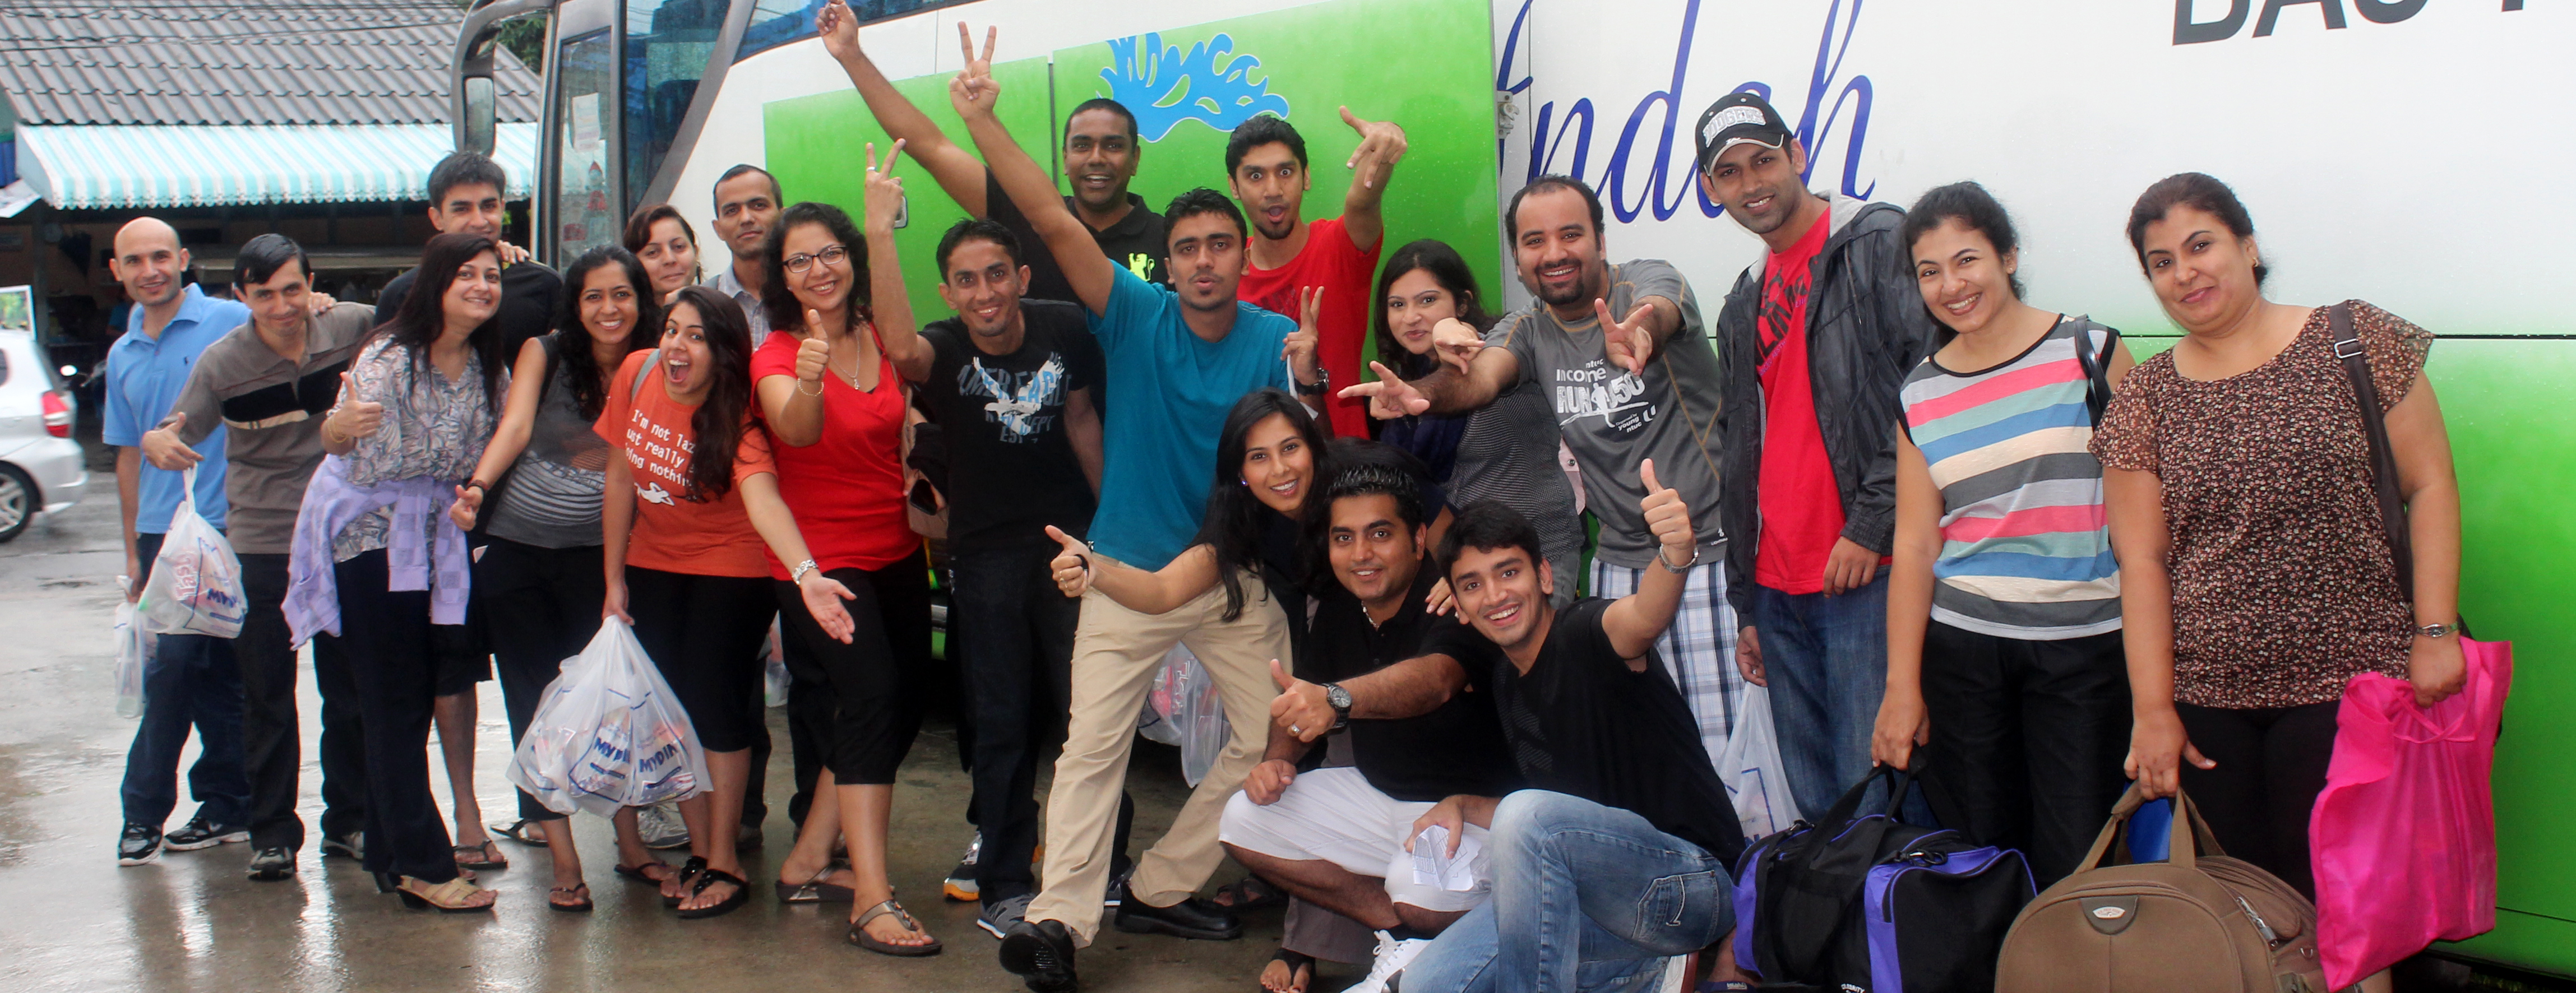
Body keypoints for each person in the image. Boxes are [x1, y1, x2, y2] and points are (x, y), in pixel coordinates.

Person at [947, 36, 1322, 992]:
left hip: (1229, 580)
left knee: (1274, 730)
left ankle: (1160, 882)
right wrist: (985, 121)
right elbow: (1044, 214)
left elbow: (1304, 454)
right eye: (1187, 246)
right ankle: (1059, 924)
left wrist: (1311, 377)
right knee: (1090, 751)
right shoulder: (1133, 311)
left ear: (1246, 255)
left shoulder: (1278, 336)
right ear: (1172, 260)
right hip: (1123, 572)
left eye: (1220, 245)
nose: (1202, 261)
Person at [2096, 173, 2464, 900]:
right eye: (2160, 261)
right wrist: (2152, 711)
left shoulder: (2352, 339)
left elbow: (2430, 488)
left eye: (2199, 245)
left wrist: (2434, 629)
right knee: (2246, 909)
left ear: (2247, 244)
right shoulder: (2143, 396)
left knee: (2357, 904)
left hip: (2356, 683)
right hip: (2210, 703)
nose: (2183, 272)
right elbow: (2139, 563)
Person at [1340, 175, 1739, 788]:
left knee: (1724, 754)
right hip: (1615, 563)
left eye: (1569, 234)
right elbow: (1479, 380)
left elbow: (1655, 315)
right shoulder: (1528, 329)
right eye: (1534, 240)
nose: (1553, 252)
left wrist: (1637, 336)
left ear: (1600, 241)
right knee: (1633, 747)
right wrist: (1419, 394)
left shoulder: (1649, 280)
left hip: (1707, 557)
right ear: (1519, 260)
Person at [1282, 475, 1747, 992]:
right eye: (1473, 585)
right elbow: (1554, 810)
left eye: (1508, 573)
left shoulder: (1584, 634)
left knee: (1526, 817)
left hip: (1689, 885)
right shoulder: (1504, 680)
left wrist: (1676, 553)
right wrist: (1460, 802)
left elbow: (1640, 617)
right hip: (1597, 900)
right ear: (1457, 605)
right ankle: (1648, 973)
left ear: (1544, 576)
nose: (1496, 596)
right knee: (1427, 984)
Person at [1871, 182, 2135, 886]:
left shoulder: (2093, 354)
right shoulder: (1918, 393)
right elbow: (1916, 546)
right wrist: (1902, 689)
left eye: (1966, 260)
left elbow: (2145, 526)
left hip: (2084, 653)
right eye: (1929, 271)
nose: (1950, 286)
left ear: (2007, 255)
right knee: (1984, 856)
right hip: (1963, 656)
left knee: (2081, 859)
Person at [900, 212, 1143, 938]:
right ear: (948, 291)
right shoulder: (941, 349)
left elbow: (1080, 423)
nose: (984, 292)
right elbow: (894, 348)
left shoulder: (1065, 330)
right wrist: (881, 234)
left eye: (996, 274)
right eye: (966, 281)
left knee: (1090, 718)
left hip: (1070, 551)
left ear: (1022, 277)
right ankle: (1005, 878)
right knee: (1000, 724)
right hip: (984, 562)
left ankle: (1104, 863)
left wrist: (1113, 532)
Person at [1699, 92, 1940, 820]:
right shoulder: (1742, 302)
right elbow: (1739, 455)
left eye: (1763, 160)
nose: (1751, 183)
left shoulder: (1875, 243)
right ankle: (1847, 937)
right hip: (1777, 594)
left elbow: (1928, 388)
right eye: (1730, 173)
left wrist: (1870, 524)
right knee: (1819, 810)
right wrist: (1745, 599)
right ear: (1713, 192)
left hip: (1869, 578)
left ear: (1796, 155)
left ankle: (1911, 933)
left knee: (1882, 801)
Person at [598, 286, 853, 920]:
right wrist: (612, 580)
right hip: (650, 561)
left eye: (695, 337)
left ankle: (724, 859)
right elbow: (620, 475)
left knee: (712, 708)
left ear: (722, 353)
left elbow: (764, 499)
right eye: (670, 330)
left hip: (731, 567)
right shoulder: (637, 372)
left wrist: (803, 573)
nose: (676, 347)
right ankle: (703, 847)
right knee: (668, 708)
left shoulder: (737, 413)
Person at [1216, 460, 1517, 993]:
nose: (1361, 554)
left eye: (1380, 534)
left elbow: (1435, 681)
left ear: (1419, 539)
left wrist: (1338, 699)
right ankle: (1403, 938)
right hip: (1382, 797)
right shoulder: (1339, 602)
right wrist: (1277, 759)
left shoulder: (1452, 596)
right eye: (1344, 538)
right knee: (1244, 818)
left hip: (1474, 814)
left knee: (1415, 889)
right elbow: (1300, 694)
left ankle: (1489, 926)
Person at [750, 179, 946, 954]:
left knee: (897, 709)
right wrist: (807, 376)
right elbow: (794, 433)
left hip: (898, 549)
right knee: (870, 697)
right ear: (781, 277)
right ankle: (870, 895)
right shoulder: (773, 351)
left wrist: (879, 225)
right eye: (799, 261)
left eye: (830, 252)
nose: (817, 270)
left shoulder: (876, 330)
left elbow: (913, 380)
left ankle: (805, 858)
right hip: (818, 563)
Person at [144, 234, 378, 882]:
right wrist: (158, 442)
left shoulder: (351, 327)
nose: (281, 306)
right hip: (264, 538)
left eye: (292, 289)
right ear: (242, 296)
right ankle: (273, 831)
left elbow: (415, 324)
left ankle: (350, 821)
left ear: (312, 284)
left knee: (350, 686)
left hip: (343, 532)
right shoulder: (223, 364)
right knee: (267, 691)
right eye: (264, 294)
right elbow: (173, 427)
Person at [290, 231, 507, 912]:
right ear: (436, 284)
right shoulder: (388, 357)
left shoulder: (483, 366)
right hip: (367, 540)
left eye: (491, 275)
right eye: (466, 274)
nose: (481, 285)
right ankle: (422, 861)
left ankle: (389, 851)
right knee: (392, 702)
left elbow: (483, 457)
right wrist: (339, 426)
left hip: (435, 542)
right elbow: (337, 435)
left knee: (411, 699)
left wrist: (471, 495)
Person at [444, 245, 660, 911]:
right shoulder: (545, 351)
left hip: (602, 558)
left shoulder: (653, 358)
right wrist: (478, 485)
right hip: (517, 552)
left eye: (621, 294)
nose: (608, 308)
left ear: (639, 300)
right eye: (593, 295)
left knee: (615, 702)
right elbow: (514, 426)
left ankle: (631, 844)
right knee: (535, 707)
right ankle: (566, 860)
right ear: (576, 304)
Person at [373, 151, 565, 871]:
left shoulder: (540, 285)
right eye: (462, 208)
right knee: (449, 672)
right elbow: (371, 371)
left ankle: (544, 804)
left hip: (527, 510)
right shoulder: (404, 293)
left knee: (532, 663)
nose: (480, 219)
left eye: (490, 205)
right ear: (434, 219)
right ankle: (466, 814)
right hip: (434, 516)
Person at [817, 4, 1168, 303]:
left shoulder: (1171, 239)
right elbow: (932, 148)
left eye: (1113, 146)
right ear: (1064, 158)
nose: (1096, 158)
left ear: (1135, 159)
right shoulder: (1027, 216)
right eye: (1081, 145)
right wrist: (851, 55)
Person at [103, 217, 251, 867]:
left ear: (185, 259)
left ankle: (186, 807)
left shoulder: (228, 319)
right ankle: (187, 807)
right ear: (118, 271)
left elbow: (294, 320)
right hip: (165, 538)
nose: (150, 269)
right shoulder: (123, 353)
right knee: (181, 674)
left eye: (161, 255)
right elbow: (130, 457)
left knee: (209, 673)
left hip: (232, 524)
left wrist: (322, 300)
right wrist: (136, 553)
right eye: (135, 260)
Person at [1368, 238, 1583, 606]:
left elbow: (1470, 361)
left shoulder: (1495, 355)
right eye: (1397, 305)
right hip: (1466, 562)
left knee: (1542, 663)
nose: (1411, 316)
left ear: (1463, 303)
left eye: (1428, 300)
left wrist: (1450, 331)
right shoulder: (1406, 381)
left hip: (1538, 551)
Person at [1228, 110, 1407, 438]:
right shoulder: (1225, 270)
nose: (1272, 189)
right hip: (1258, 469)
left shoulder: (1340, 246)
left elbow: (1364, 201)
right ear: (1234, 187)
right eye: (1255, 176)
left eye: (1285, 172)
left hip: (1344, 464)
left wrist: (1387, 135)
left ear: (1306, 177)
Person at [707, 163, 784, 346]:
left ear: (783, 217)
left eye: (759, 205)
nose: (746, 219)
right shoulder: (703, 308)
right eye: (732, 211)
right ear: (718, 229)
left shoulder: (808, 295)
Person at [626, 203, 703, 303]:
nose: (670, 259)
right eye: (653, 252)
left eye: (679, 247)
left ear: (696, 252)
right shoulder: (624, 317)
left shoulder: (721, 313)